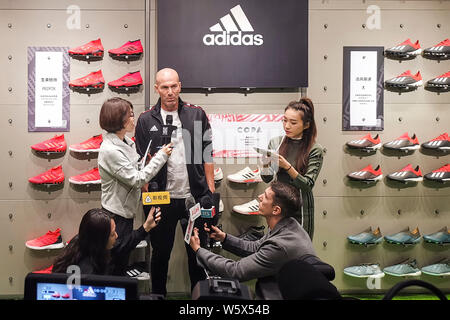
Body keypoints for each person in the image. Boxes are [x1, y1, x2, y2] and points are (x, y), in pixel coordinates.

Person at [134, 68, 215, 296]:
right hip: (161, 198)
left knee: (197, 255)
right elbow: (141, 160)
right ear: (157, 89)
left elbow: (207, 152)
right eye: (164, 87)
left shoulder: (196, 114)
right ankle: (159, 294)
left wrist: (210, 187)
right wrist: (146, 194)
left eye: (174, 86)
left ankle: (198, 299)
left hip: (194, 197)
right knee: (160, 255)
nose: (170, 92)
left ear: (180, 86)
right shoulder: (145, 119)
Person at [189, 181, 317, 300]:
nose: (260, 197)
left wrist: (199, 250)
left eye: (266, 196)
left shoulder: (279, 246)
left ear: (276, 210)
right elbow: (255, 247)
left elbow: (235, 271)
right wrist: (224, 238)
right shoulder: (287, 225)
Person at [97, 97, 172, 275]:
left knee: (122, 257)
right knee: (116, 260)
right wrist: (161, 156)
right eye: (130, 116)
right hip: (116, 214)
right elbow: (137, 180)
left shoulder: (126, 143)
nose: (133, 119)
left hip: (125, 211)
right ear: (118, 120)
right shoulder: (111, 150)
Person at [265, 98, 323, 240]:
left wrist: (287, 167)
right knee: (274, 248)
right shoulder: (276, 142)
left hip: (301, 207)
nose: (287, 126)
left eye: (293, 122)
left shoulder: (315, 149)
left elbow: (307, 185)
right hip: (278, 205)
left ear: (306, 125)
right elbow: (266, 178)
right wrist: (265, 164)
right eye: (284, 120)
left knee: (299, 253)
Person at [53, 207, 161, 275]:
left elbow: (123, 244)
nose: (117, 235)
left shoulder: (83, 242)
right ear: (101, 240)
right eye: (113, 234)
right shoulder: (87, 272)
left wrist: (146, 226)